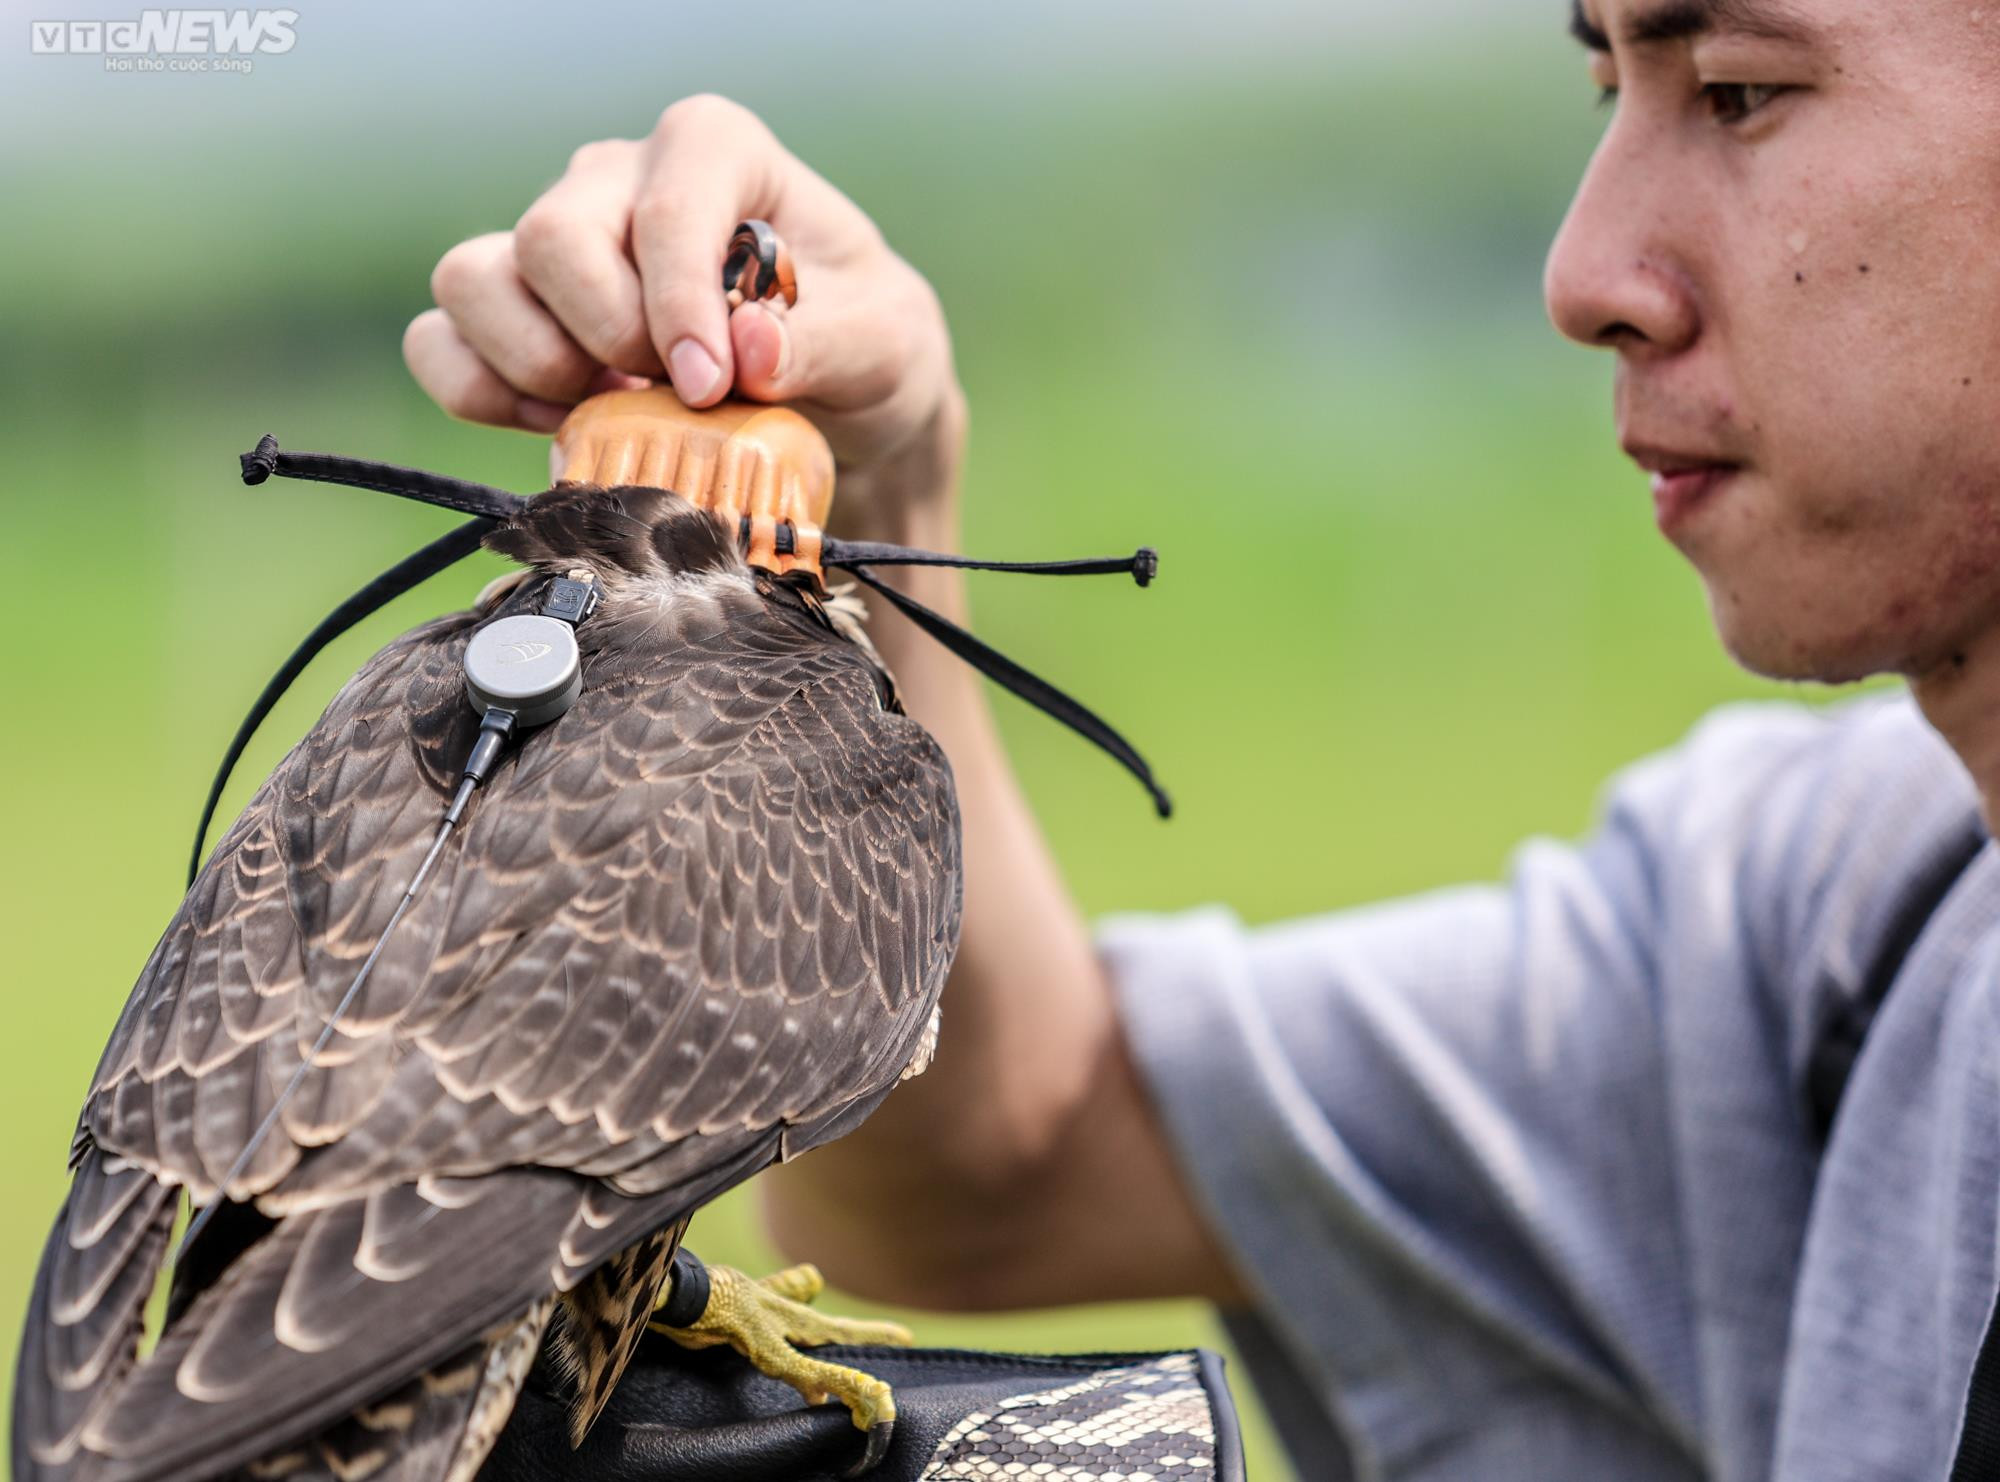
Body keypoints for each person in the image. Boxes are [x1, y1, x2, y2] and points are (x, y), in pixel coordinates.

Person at [400, 2, 2000, 1473]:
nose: (1585, 273)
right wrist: (864, 505)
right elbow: (990, 1180)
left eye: (1739, 90)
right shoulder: (1849, 925)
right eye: (1607, 83)